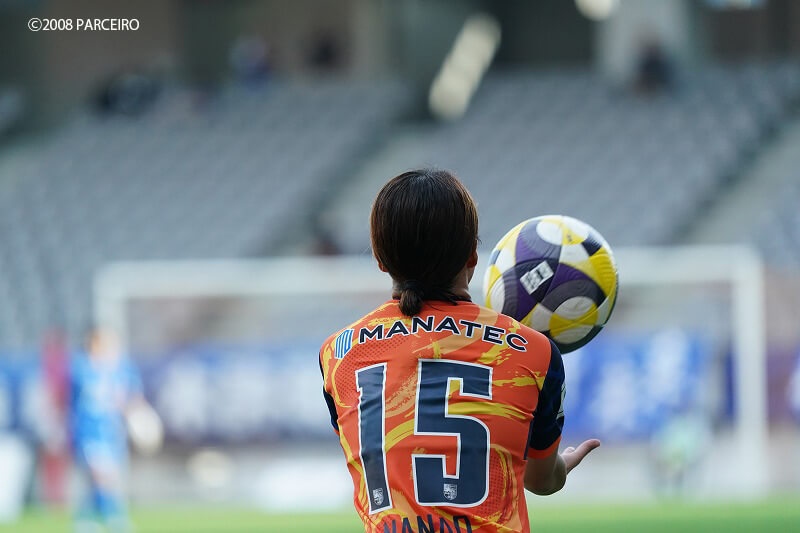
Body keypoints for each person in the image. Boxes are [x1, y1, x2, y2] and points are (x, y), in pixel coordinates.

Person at [319, 169, 599, 532]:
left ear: (380, 259)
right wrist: (561, 466)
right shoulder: (535, 352)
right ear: (472, 256)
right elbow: (541, 479)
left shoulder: (337, 354)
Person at [69, 326, 151, 533]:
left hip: (112, 431)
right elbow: (75, 399)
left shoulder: (122, 368)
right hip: (90, 431)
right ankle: (114, 518)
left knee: (105, 478)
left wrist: (140, 419)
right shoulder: (82, 368)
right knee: (101, 476)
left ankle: (84, 520)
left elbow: (133, 397)